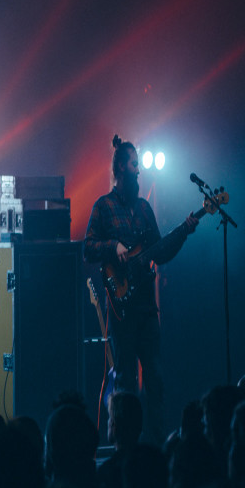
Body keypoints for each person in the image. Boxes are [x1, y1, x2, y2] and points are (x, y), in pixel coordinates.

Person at [84, 135, 198, 445]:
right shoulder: (104, 206)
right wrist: (114, 246)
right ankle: (125, 448)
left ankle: (157, 446)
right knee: (125, 381)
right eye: (135, 164)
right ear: (121, 166)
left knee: (156, 379)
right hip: (122, 309)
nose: (139, 169)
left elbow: (159, 252)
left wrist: (184, 233)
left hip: (147, 307)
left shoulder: (145, 208)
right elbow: (88, 248)